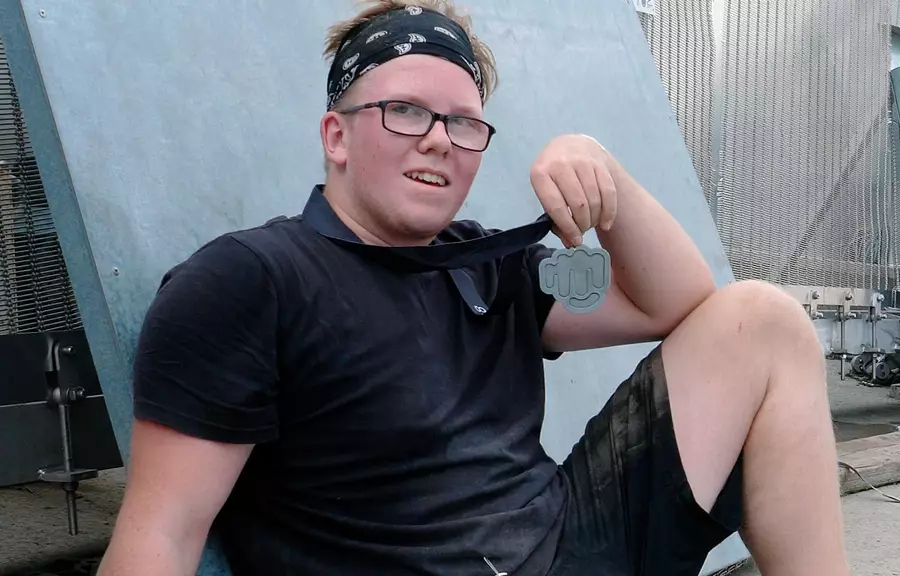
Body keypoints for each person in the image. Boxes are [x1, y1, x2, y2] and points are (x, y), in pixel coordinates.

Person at [97, 1, 850, 575]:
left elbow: (672, 301)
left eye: (464, 123)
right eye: (405, 111)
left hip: (567, 543)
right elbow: (163, 531)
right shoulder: (246, 282)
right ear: (336, 136)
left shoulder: (494, 266)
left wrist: (607, 178)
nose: (438, 138)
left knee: (765, 321)